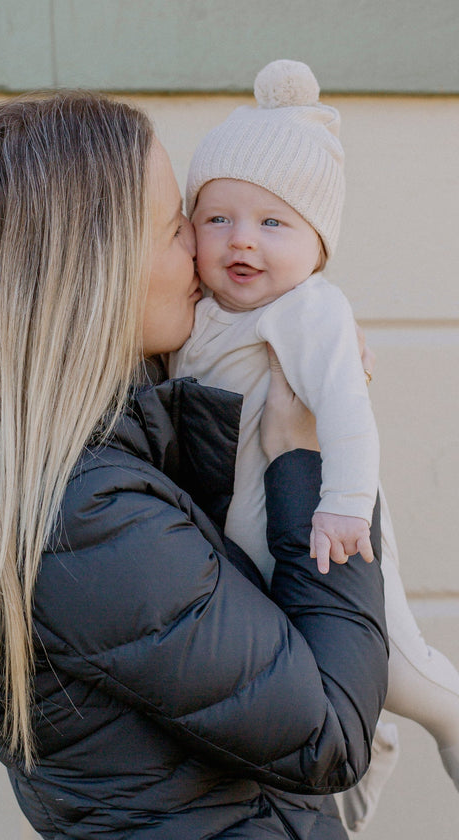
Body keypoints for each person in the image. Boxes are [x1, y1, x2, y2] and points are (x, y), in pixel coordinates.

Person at [0, 91, 389, 840]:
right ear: (92, 269)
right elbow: (330, 732)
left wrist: (297, 346)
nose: (203, 254)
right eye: (178, 227)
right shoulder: (81, 516)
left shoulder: (73, 464)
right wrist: (305, 458)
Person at [170, 59, 459, 831]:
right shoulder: (194, 310)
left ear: (317, 246)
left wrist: (341, 507)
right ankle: (370, 747)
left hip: (330, 526)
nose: (242, 242)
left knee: (393, 662)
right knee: (310, 676)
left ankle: (452, 717)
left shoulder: (309, 310)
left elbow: (347, 413)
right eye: (218, 218)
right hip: (254, 543)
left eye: (274, 223)